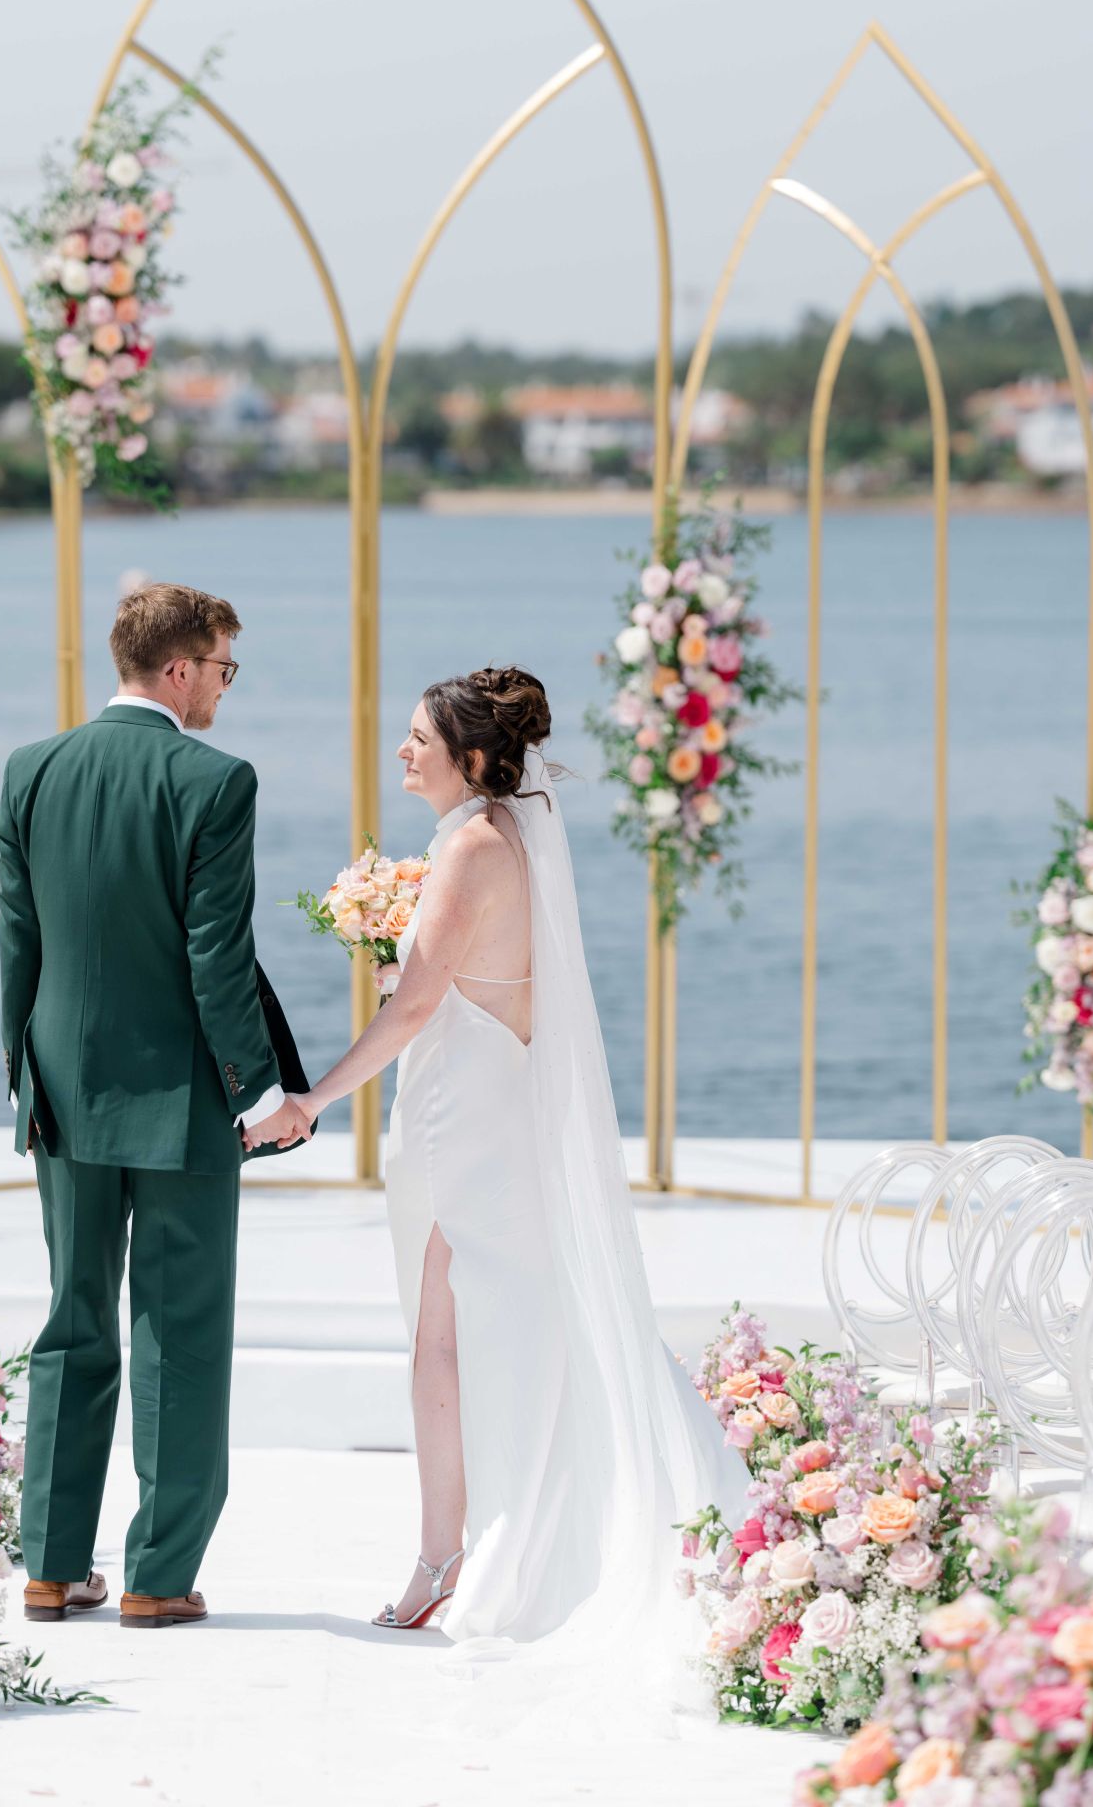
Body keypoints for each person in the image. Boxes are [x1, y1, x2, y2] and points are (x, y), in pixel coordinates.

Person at [286, 667, 739, 1672]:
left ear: (474, 757)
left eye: (420, 739)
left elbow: (416, 1010)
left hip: (462, 1118)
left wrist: (313, 1099)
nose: (403, 752)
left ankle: (448, 1558)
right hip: (495, 1104)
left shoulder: (470, 849)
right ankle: (473, 1540)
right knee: (509, 1328)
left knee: (440, 1344)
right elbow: (470, 980)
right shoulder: (508, 836)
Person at [0, 583, 310, 1633]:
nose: (224, 688)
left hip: (60, 1090)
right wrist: (261, 1092)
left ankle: (49, 1568)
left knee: (70, 1323)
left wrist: (23, 1075)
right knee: (179, 1330)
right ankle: (157, 1578)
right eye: (221, 669)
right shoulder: (215, 781)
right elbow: (216, 954)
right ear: (178, 669)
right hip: (181, 1100)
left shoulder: (30, 769)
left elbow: (18, 941)